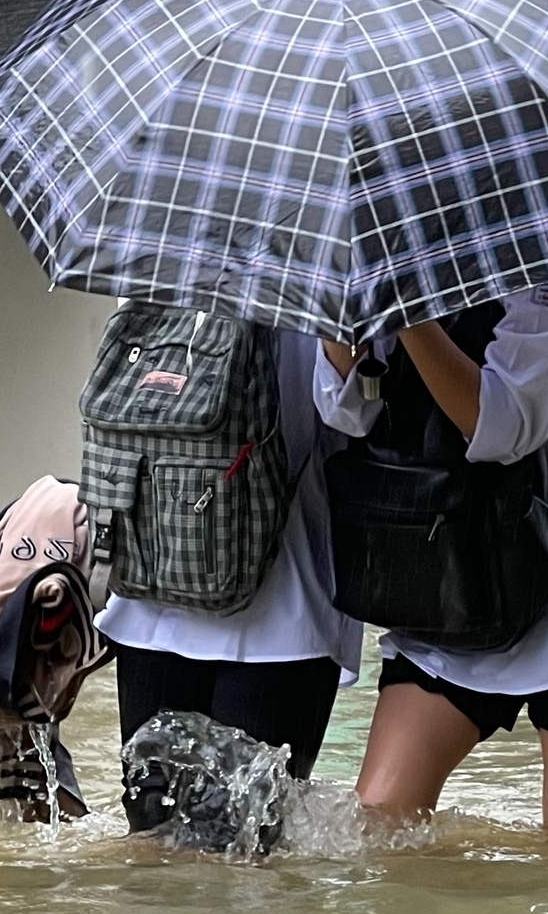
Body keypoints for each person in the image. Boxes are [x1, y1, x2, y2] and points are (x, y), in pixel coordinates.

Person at [317, 272, 548, 836]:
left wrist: (407, 314)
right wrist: (342, 312)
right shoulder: (391, 248)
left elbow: (505, 424)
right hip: (445, 566)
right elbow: (346, 411)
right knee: (376, 833)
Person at [100, 328, 361, 829]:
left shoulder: (326, 266)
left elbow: (355, 414)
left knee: (241, 842)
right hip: (156, 591)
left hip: (277, 605)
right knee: (155, 829)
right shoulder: (170, 259)